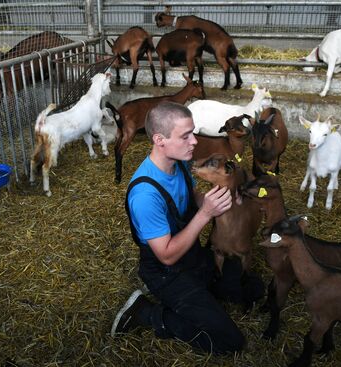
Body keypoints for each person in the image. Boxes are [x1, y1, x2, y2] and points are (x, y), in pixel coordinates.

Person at [110, 101, 263, 354]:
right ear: (160, 139)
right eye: (185, 136)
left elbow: (191, 197)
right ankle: (145, 313)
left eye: (192, 132)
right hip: (165, 271)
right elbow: (167, 255)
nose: (194, 141)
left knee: (249, 288)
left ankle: (198, 291)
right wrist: (205, 214)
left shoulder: (179, 162)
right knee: (230, 343)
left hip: (191, 256)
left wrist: (222, 201)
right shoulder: (145, 195)